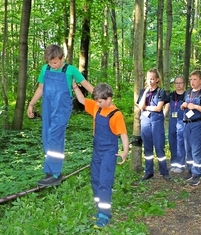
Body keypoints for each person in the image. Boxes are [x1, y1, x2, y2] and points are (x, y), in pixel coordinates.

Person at [27, 44, 94, 186]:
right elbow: (41, 88)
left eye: (55, 62)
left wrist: (103, 98)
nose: (52, 65)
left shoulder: (70, 70)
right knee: (46, 137)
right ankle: (50, 171)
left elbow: (87, 85)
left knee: (54, 136)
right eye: (50, 62)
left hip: (62, 108)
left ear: (62, 58)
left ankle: (55, 174)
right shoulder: (45, 69)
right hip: (48, 107)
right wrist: (31, 104)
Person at [73, 82, 129, 228]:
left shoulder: (116, 115)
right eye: (96, 101)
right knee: (95, 179)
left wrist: (125, 151)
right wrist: (75, 86)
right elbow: (81, 100)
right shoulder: (97, 107)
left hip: (109, 152)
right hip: (97, 150)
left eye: (100, 101)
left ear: (109, 98)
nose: (97, 103)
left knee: (105, 181)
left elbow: (123, 135)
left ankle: (105, 214)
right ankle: (100, 208)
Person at [180, 70, 201, 186]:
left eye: (195, 79)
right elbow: (185, 104)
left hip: (198, 124)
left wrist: (195, 106)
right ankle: (190, 170)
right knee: (187, 149)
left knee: (196, 150)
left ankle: (197, 174)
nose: (192, 82)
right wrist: (183, 105)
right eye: (191, 79)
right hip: (186, 123)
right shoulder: (187, 93)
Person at [137, 68, 170, 181]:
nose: (150, 81)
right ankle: (148, 171)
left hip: (157, 121)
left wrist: (146, 107)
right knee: (147, 148)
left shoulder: (161, 92)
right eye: (148, 79)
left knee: (159, 147)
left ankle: (164, 171)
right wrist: (146, 92)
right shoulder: (143, 91)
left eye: (152, 79)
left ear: (157, 80)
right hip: (145, 122)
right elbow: (140, 106)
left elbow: (158, 108)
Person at [163, 75, 186, 173]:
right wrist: (162, 118)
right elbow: (167, 108)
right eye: (176, 83)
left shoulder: (187, 95)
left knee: (180, 142)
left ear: (184, 84)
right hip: (172, 121)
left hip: (182, 121)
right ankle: (174, 163)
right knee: (172, 142)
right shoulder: (171, 95)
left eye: (180, 83)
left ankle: (181, 165)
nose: (178, 85)